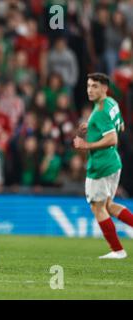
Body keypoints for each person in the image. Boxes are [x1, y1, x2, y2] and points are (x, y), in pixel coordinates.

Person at [73, 73, 133, 259]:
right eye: (89, 86)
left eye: (95, 86)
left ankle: (117, 250)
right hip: (113, 163)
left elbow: (112, 138)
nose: (90, 90)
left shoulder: (100, 112)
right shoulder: (111, 104)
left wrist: (86, 145)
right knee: (108, 204)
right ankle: (117, 249)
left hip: (101, 165)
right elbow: (120, 127)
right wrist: (92, 128)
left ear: (104, 88)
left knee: (97, 208)